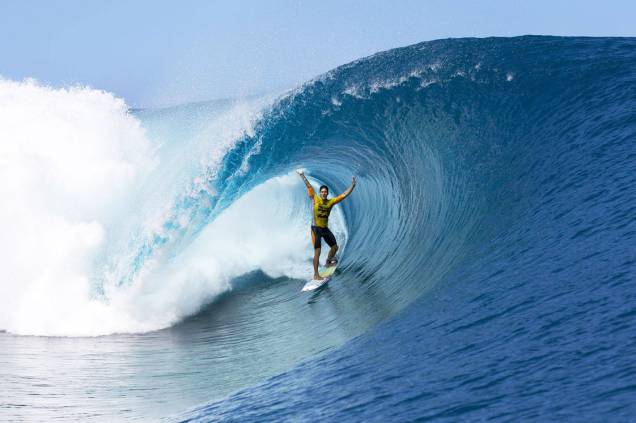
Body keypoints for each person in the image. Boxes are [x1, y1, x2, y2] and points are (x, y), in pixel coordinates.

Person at [297, 170, 356, 280]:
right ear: (319, 193)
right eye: (322, 192)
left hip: (324, 228)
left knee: (335, 247)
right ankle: (316, 274)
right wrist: (302, 175)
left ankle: (328, 260)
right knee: (317, 252)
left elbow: (343, 195)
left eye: (325, 192)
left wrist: (352, 186)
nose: (324, 193)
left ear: (327, 193)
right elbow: (308, 186)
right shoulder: (314, 198)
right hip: (315, 229)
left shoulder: (331, 202)